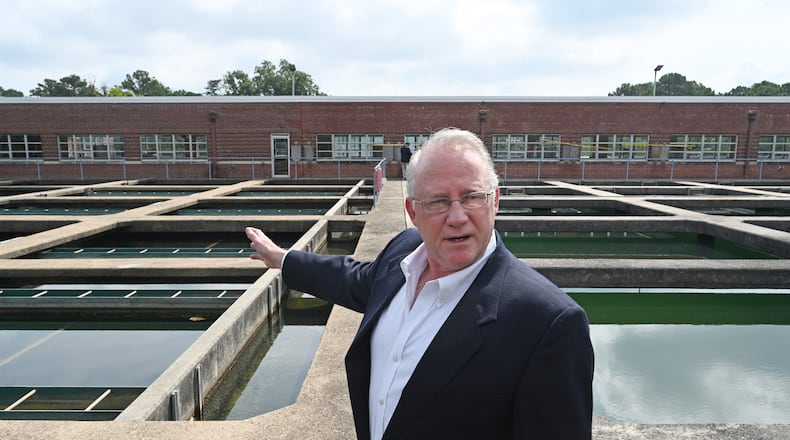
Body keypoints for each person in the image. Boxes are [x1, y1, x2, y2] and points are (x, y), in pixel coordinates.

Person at [246, 127, 594, 440]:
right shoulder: (403, 252)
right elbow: (352, 278)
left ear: (495, 200)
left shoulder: (548, 323)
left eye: (472, 197)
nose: (457, 217)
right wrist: (283, 259)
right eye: (439, 202)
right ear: (413, 212)